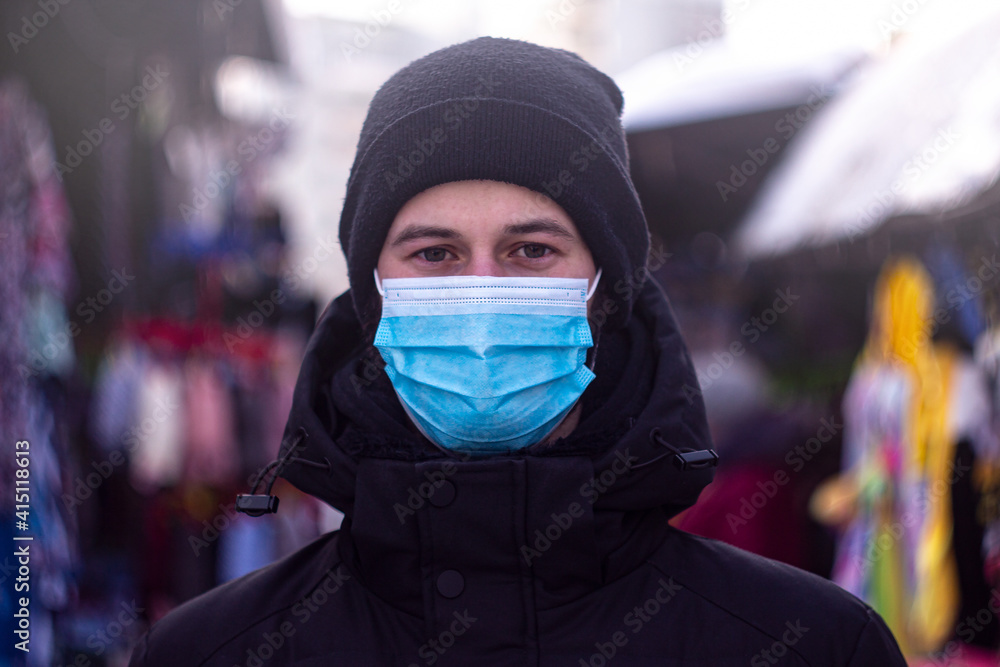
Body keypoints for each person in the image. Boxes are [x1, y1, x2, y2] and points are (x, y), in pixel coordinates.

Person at [128, 37, 906, 666]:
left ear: (606, 290)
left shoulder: (814, 644)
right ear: (372, 298)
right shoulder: (208, 651)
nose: (481, 293)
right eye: (433, 254)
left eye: (532, 250)